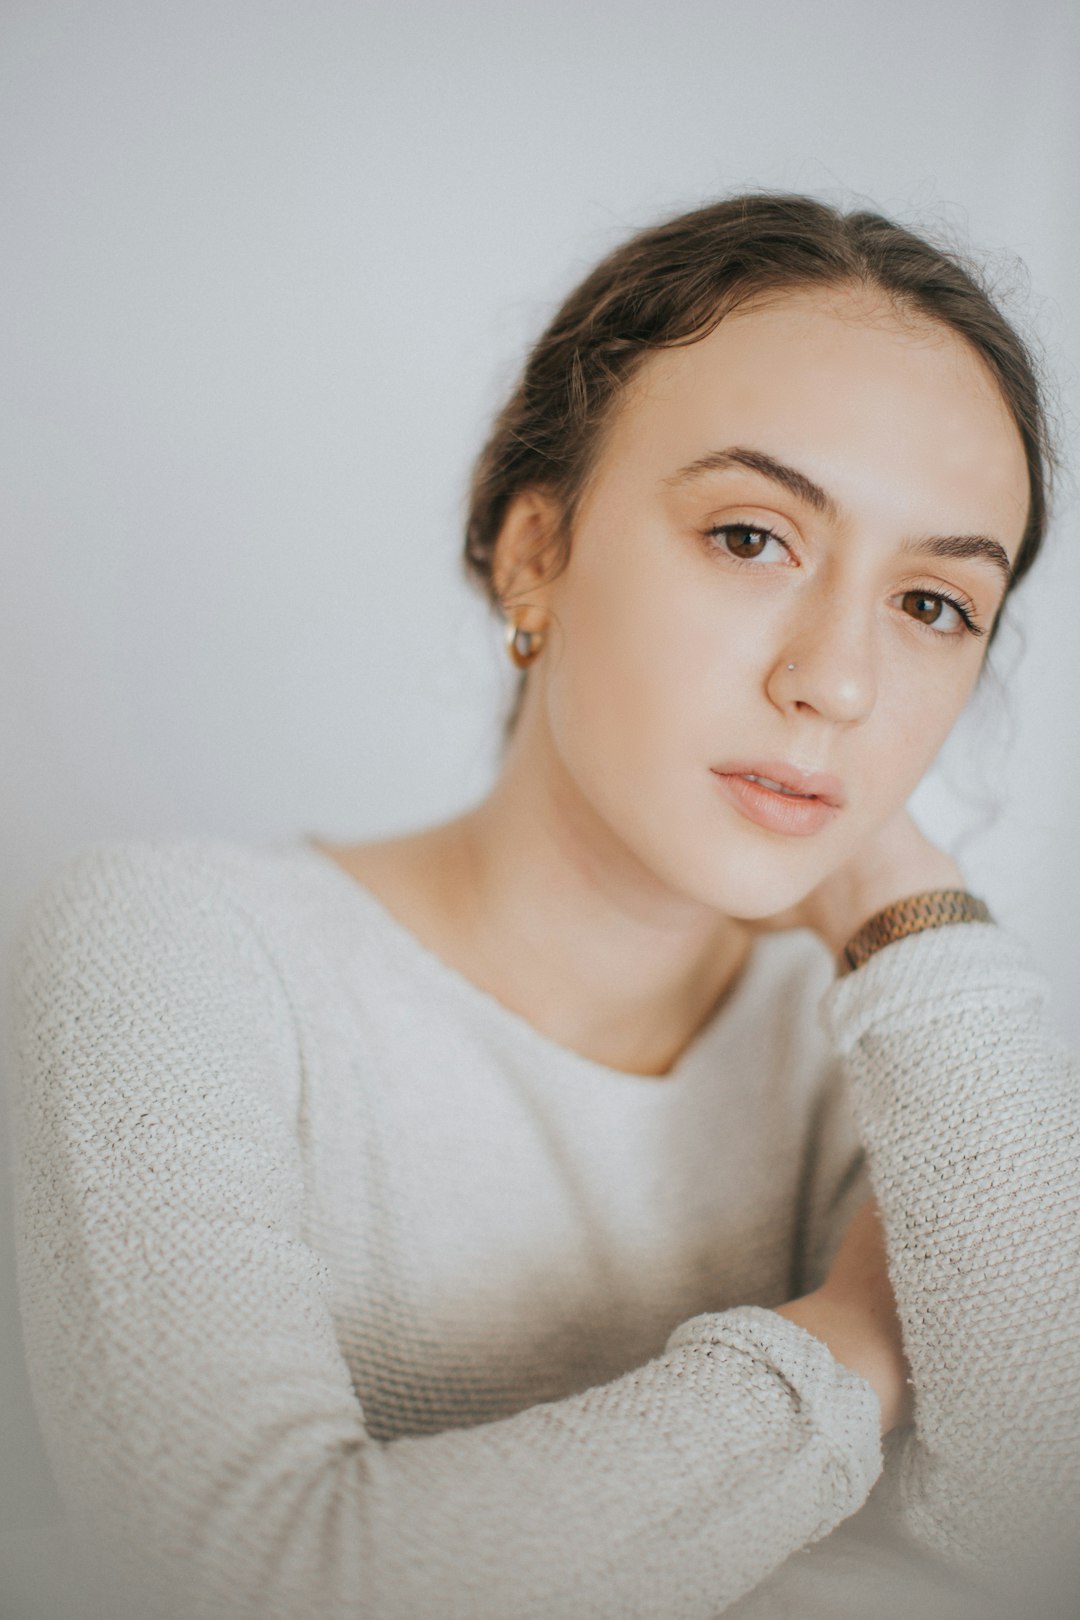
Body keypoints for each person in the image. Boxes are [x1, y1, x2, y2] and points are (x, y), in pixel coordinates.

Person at [9, 192, 1080, 1620]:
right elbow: (252, 1582)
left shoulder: (886, 1060)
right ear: (535, 553)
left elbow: (1051, 1524)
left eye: (935, 606)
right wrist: (856, 1349)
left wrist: (905, 897)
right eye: (754, 537)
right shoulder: (178, 951)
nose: (840, 682)